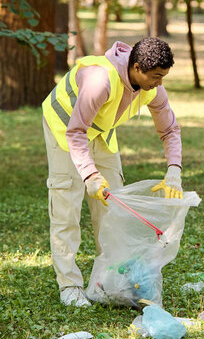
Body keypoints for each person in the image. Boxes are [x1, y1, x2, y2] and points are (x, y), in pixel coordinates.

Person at [42, 37, 182, 307]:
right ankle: (70, 286)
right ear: (138, 67)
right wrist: (90, 176)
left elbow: (170, 129)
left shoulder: (151, 88)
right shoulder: (100, 80)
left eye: (163, 77)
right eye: (156, 76)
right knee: (66, 208)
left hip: (100, 132)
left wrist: (173, 170)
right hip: (64, 129)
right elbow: (75, 132)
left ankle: (107, 281)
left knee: (113, 206)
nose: (160, 83)